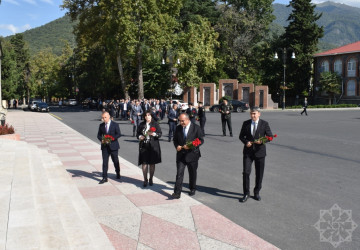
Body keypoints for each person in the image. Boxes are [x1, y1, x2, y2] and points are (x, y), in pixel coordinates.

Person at [239, 106, 273, 202]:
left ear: (259, 114)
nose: (252, 115)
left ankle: (256, 192)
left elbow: (270, 136)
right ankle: (246, 193)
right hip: (248, 152)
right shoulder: (246, 123)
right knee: (246, 172)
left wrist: (262, 141)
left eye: (254, 113)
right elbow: (241, 136)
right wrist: (246, 142)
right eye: (251, 113)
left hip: (260, 152)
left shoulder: (264, 124)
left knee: (259, 174)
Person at [171, 113, 204, 199]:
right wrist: (177, 146)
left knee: (192, 173)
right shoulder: (178, 128)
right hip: (181, 155)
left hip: (192, 154)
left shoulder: (196, 128)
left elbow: (201, 140)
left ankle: (192, 188)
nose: (181, 122)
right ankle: (177, 193)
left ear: (188, 119)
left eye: (182, 121)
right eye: (180, 121)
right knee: (179, 173)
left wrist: (191, 145)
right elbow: (175, 140)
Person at [137, 111, 162, 187]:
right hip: (144, 145)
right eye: (146, 115)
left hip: (153, 146)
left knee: (151, 163)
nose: (147, 117)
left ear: (151, 116)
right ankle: (145, 179)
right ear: (144, 117)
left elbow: (160, 134)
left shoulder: (155, 124)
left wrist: (153, 134)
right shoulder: (142, 124)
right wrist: (140, 137)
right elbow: (137, 133)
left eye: (149, 115)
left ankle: (151, 178)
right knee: (144, 163)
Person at [97, 111, 122, 184]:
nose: (104, 119)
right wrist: (102, 140)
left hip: (113, 146)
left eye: (105, 117)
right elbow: (98, 135)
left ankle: (118, 172)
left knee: (115, 161)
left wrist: (111, 138)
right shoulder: (101, 125)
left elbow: (119, 134)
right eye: (103, 117)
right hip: (105, 146)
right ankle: (104, 177)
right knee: (105, 162)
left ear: (109, 117)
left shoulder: (115, 124)